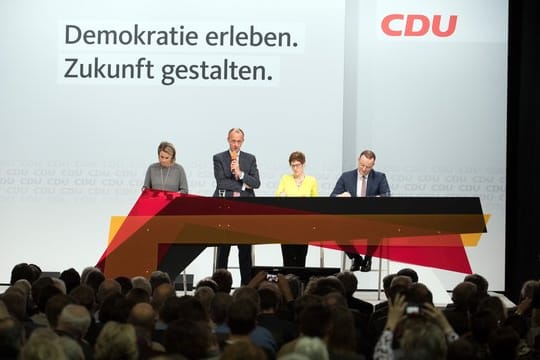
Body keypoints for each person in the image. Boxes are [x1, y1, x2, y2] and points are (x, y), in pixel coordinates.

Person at [213, 128, 261, 285]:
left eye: (239, 141)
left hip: (245, 211)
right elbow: (221, 182)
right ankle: (221, 286)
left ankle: (246, 286)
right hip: (225, 209)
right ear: (228, 139)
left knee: (245, 250)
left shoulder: (250, 159)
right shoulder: (219, 158)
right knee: (223, 249)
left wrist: (240, 174)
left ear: (243, 141)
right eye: (233, 141)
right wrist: (243, 185)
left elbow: (256, 183)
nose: (236, 144)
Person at [330, 149, 390, 272]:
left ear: (373, 165)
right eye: (362, 165)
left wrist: (373, 199)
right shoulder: (346, 177)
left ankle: (368, 258)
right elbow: (332, 197)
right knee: (335, 231)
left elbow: (387, 197)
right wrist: (341, 196)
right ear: (358, 161)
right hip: (349, 221)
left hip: (371, 222)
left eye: (367, 167)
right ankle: (356, 258)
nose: (364, 169)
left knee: (378, 228)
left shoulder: (380, 177)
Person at [276, 151, 318, 267]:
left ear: (303, 165)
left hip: (304, 225)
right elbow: (278, 196)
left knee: (301, 258)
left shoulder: (311, 180)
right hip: (287, 225)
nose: (295, 168)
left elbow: (316, 203)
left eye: (298, 165)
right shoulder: (285, 179)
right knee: (287, 259)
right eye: (293, 165)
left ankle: (300, 284)